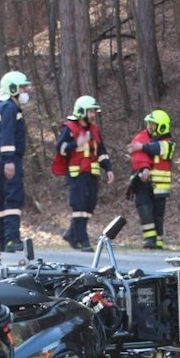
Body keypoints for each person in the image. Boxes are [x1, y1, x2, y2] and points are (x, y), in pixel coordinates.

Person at [54, 95, 114, 252]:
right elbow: (60, 148)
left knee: (89, 206)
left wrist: (108, 169)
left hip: (92, 174)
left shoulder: (94, 130)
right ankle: (83, 240)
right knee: (79, 207)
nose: (94, 115)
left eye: (94, 111)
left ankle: (70, 234)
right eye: (91, 111)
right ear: (82, 112)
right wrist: (76, 143)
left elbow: (101, 151)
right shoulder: (69, 128)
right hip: (76, 174)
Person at [0, 70, 32, 252]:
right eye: (23, 87)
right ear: (13, 88)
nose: (25, 91)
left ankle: (0, 240)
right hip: (7, 158)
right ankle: (11, 239)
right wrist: (9, 161)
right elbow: (6, 136)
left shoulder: (1, 107)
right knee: (12, 197)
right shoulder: (9, 108)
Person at [127, 109, 175, 249]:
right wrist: (144, 168)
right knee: (144, 209)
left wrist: (141, 147)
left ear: (162, 126)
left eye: (153, 124)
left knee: (158, 215)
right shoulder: (141, 137)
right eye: (149, 124)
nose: (150, 127)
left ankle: (158, 241)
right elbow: (138, 155)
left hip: (160, 185)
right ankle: (149, 240)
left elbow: (158, 148)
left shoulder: (169, 143)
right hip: (142, 182)